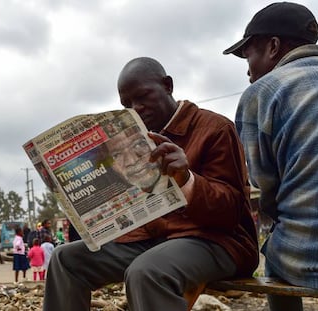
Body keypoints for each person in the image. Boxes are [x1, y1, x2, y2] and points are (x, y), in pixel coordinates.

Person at [43, 57, 259, 311]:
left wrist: (187, 180)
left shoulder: (214, 128)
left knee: (146, 271)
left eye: (143, 96)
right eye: (127, 104)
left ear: (167, 85)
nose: (136, 108)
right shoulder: (132, 140)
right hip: (153, 240)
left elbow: (230, 212)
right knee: (65, 259)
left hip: (217, 241)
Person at [223, 2, 318, 310]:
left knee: (275, 248)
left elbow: (262, 184)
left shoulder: (263, 92)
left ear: (273, 47)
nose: (248, 70)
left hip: (309, 259)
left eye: (249, 55)